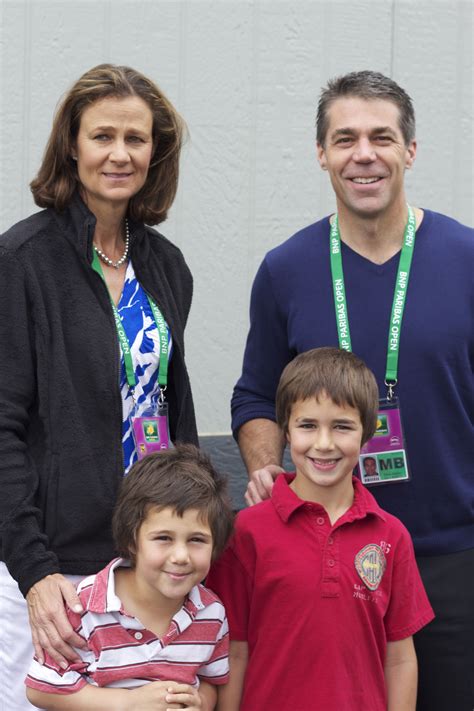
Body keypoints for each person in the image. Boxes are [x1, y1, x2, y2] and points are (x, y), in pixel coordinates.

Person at [231, 70, 474, 710]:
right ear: (322, 154)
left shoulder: (466, 258)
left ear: (410, 151)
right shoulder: (286, 268)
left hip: (455, 555)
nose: (363, 154)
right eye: (344, 139)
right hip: (328, 556)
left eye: (381, 138)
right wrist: (264, 468)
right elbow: (256, 395)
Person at [0, 64, 198, 710]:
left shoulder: (165, 265)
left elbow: (174, 410)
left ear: (155, 152)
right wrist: (33, 570)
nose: (119, 154)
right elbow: (2, 426)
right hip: (53, 567)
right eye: (102, 136)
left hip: (146, 565)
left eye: (136, 139)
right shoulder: (21, 263)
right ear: (72, 146)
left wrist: (194, 538)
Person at [208, 348, 434, 711]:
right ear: (285, 430)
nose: (324, 443)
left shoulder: (391, 536)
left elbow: (400, 658)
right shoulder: (245, 532)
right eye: (308, 425)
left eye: (342, 426)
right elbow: (234, 651)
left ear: (367, 434)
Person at [25, 445, 234, 710]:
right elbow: (41, 689)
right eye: (163, 538)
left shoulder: (211, 613)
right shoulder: (85, 606)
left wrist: (200, 702)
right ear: (132, 540)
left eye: (196, 540)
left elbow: (209, 680)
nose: (181, 556)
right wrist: (129, 702)